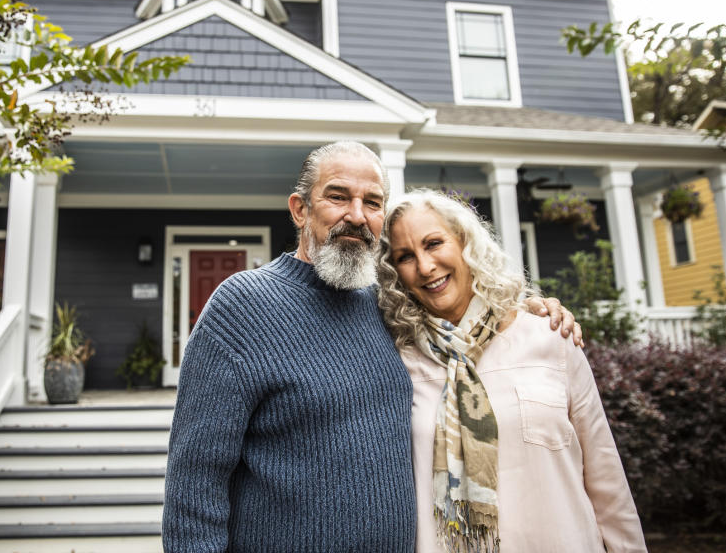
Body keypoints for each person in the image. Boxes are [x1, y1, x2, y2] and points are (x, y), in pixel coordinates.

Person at [162, 141, 580, 552]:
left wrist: (526, 311)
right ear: (300, 209)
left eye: (373, 202)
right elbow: (195, 481)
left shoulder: (391, 305)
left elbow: (465, 316)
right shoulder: (242, 306)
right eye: (338, 197)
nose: (357, 216)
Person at [377, 188, 646, 552]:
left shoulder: (550, 337)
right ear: (395, 274)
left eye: (434, 243)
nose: (425, 267)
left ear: (465, 242)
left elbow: (606, 478)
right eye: (406, 256)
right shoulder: (397, 361)